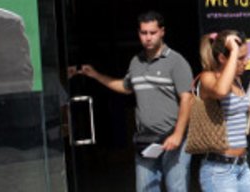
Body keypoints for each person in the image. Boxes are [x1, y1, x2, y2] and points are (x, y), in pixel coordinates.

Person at [79, 11, 193, 192]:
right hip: (145, 141)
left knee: (176, 188)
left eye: (152, 32)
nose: (148, 37)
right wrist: (96, 75)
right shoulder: (136, 62)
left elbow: (187, 98)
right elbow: (126, 87)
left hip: (173, 140)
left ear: (162, 32)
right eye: (143, 33)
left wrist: (178, 135)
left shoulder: (176, 61)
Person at [197, 30, 250, 192]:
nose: (246, 62)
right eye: (240, 58)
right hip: (219, 170)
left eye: (246, 56)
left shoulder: (236, 80)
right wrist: (233, 51)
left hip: (242, 165)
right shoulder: (208, 78)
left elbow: (233, 119)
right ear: (222, 58)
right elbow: (221, 91)